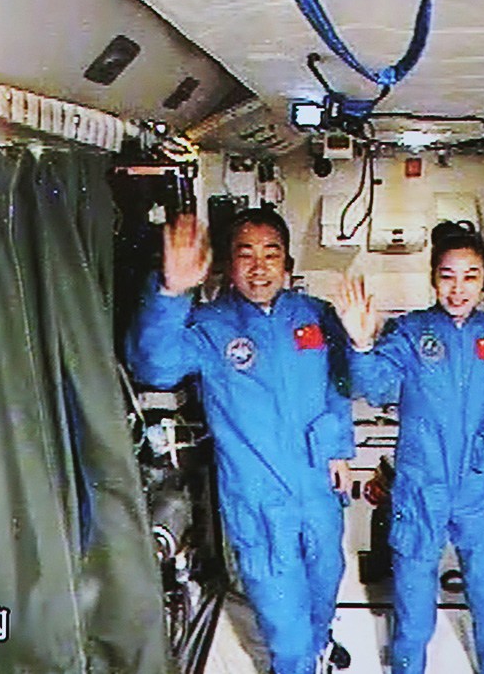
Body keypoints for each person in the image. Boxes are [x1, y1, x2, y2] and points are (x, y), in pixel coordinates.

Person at [126, 207, 353, 674]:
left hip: (317, 487)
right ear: (229, 265)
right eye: (245, 254)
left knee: (325, 581)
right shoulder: (212, 327)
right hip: (259, 500)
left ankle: (321, 644)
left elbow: (339, 385)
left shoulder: (316, 317)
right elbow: (155, 366)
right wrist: (171, 293)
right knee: (285, 629)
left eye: (271, 254)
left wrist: (338, 447)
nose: (259, 267)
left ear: (288, 263)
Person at [334, 221, 484, 674]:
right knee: (414, 608)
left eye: (470, 276)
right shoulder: (409, 332)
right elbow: (374, 387)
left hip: (479, 486)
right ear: (433, 279)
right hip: (421, 487)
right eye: (447, 276)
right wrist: (361, 344)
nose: (458, 289)